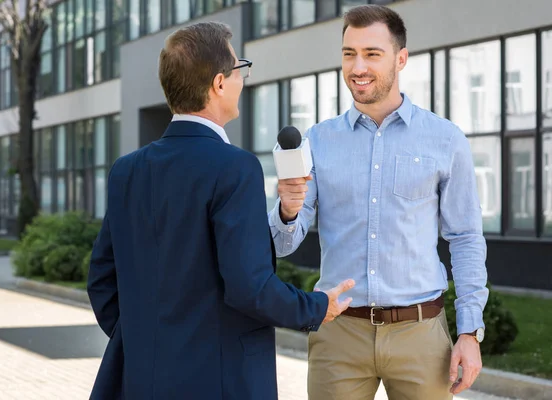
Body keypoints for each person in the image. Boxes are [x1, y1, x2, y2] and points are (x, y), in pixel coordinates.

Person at [86, 21, 355, 400]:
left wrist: (148, 343)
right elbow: (250, 288)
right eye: (239, 69)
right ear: (218, 84)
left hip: (142, 379)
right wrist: (315, 306)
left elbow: (101, 281)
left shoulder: (126, 170)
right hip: (221, 381)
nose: (243, 79)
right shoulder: (234, 167)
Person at [269, 5, 489, 400]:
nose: (358, 67)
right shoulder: (317, 141)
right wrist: (286, 209)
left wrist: (470, 333)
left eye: (372, 53)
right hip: (339, 335)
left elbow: (466, 238)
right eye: (349, 53)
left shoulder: (445, 139)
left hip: (420, 335)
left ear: (400, 59)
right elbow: (284, 243)